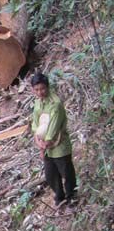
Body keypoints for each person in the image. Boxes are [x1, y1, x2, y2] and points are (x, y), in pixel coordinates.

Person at [30, 72, 78, 208]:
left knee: (66, 173)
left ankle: (72, 198)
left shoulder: (55, 104)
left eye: (43, 88)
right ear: (33, 90)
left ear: (48, 87)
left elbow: (53, 128)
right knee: (50, 174)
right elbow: (35, 123)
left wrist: (45, 143)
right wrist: (37, 139)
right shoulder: (38, 103)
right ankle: (60, 197)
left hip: (59, 145)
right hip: (45, 147)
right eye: (37, 89)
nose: (40, 92)